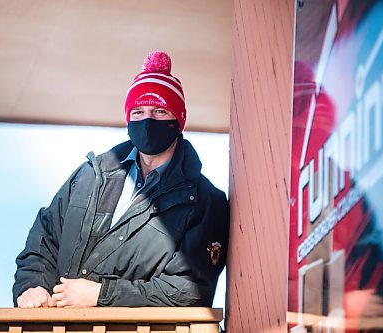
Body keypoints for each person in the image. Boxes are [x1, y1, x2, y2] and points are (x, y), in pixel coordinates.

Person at [13, 51, 230, 308]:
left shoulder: (205, 202)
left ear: (178, 120)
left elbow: (190, 290)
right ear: (128, 118)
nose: (148, 120)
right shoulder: (90, 176)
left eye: (160, 111)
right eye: (138, 112)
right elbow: (44, 238)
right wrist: (32, 286)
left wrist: (101, 295)